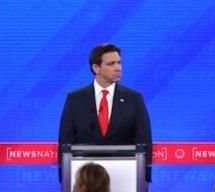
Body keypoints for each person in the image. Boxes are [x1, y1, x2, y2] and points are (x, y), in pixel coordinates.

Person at [58, 43, 152, 183]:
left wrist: (145, 178)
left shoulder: (134, 99)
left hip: (125, 176)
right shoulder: (75, 99)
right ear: (96, 68)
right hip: (85, 178)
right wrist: (64, 179)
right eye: (111, 64)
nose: (118, 68)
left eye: (119, 62)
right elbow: (65, 140)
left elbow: (144, 140)